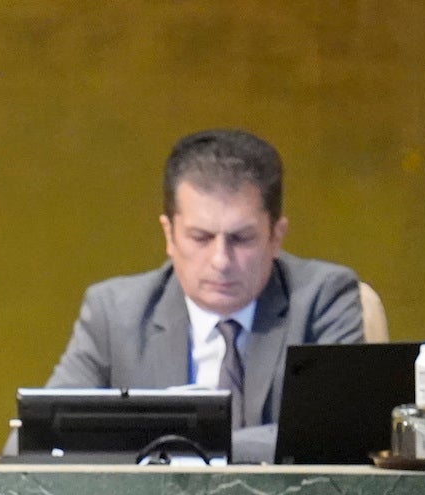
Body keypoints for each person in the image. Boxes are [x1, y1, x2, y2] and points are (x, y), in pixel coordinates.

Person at [46, 129, 364, 446]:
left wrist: (178, 444)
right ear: (169, 235)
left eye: (241, 239)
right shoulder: (114, 314)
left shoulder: (323, 299)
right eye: (200, 238)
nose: (220, 261)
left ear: (276, 237)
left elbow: (342, 433)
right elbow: (40, 440)